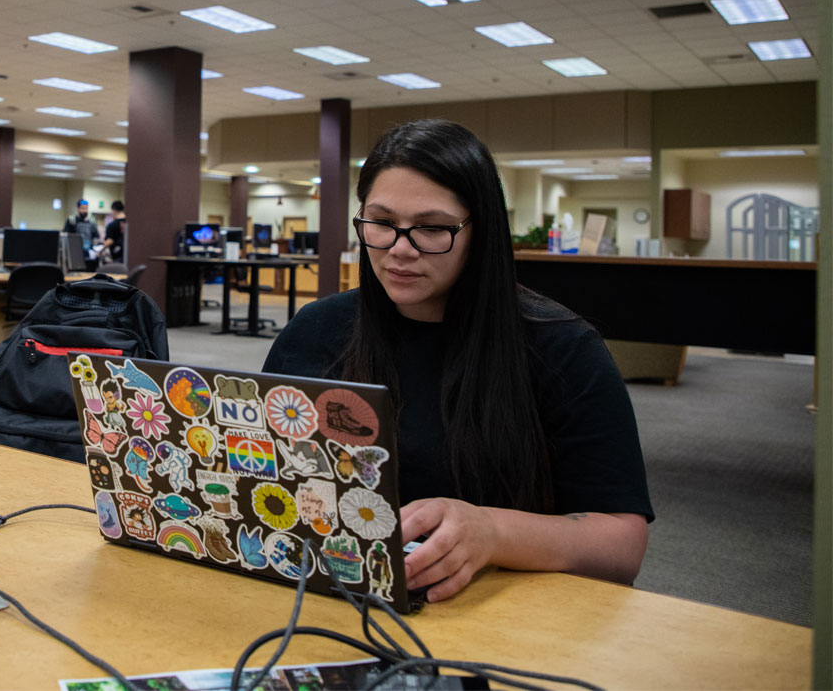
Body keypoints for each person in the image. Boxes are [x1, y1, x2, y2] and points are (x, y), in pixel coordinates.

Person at [262, 119, 652, 604]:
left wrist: (493, 532)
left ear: (479, 231)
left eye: (432, 228)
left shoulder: (561, 348)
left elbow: (622, 542)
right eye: (381, 223)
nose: (400, 250)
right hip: (332, 598)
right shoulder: (317, 331)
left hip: (502, 614)